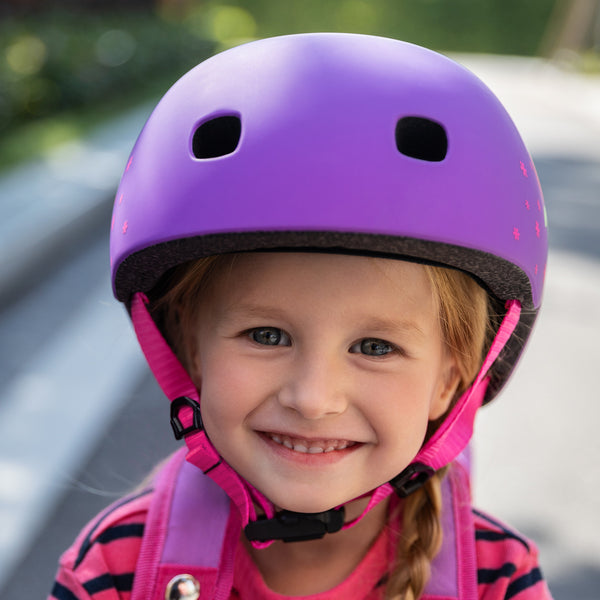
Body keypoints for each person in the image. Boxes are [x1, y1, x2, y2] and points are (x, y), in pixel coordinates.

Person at [49, 33, 553, 600]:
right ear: (190, 348)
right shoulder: (116, 569)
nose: (313, 399)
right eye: (267, 335)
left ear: (450, 381)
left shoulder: (498, 580)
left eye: (375, 347)